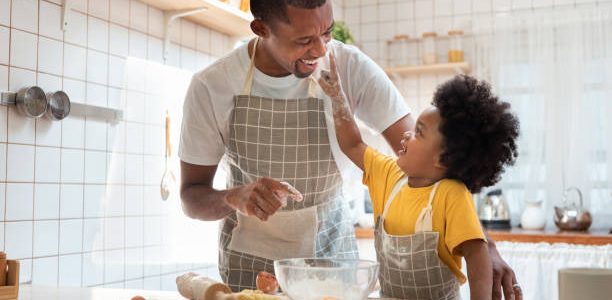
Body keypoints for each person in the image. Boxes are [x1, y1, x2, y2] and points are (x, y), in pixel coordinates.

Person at [178, 1, 522, 298]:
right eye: (304, 40)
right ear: (261, 28)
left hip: (333, 274)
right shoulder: (212, 86)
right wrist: (233, 197)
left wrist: (482, 246)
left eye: (327, 33)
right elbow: (191, 197)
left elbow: (434, 168)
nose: (320, 50)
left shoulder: (350, 68)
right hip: (247, 276)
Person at [319, 53, 519, 299]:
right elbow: (352, 145)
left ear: (442, 159)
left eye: (418, 133)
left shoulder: (451, 195)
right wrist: (338, 98)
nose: (406, 135)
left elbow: (477, 254)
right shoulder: (388, 174)